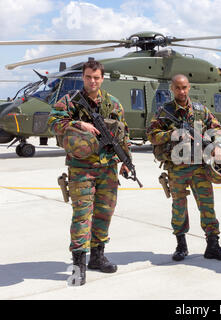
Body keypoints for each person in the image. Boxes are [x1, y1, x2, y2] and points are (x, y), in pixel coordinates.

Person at [48, 60, 131, 285]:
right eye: (88, 77)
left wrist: (126, 161)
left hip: (108, 168)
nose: (92, 81)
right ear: (82, 77)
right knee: (82, 215)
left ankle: (97, 256)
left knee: (105, 212)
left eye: (96, 77)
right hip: (81, 168)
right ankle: (78, 265)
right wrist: (77, 124)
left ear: (102, 78)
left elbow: (123, 133)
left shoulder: (113, 104)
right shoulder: (70, 101)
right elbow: (53, 123)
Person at [147, 74, 221, 262]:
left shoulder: (200, 110)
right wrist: (172, 134)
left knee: (207, 206)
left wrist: (216, 146)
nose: (182, 91)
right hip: (177, 168)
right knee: (179, 207)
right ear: (172, 88)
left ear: (189, 87)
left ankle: (213, 245)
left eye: (184, 87)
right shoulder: (164, 111)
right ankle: (181, 245)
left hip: (200, 167)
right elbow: (152, 135)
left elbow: (216, 127)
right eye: (177, 88)